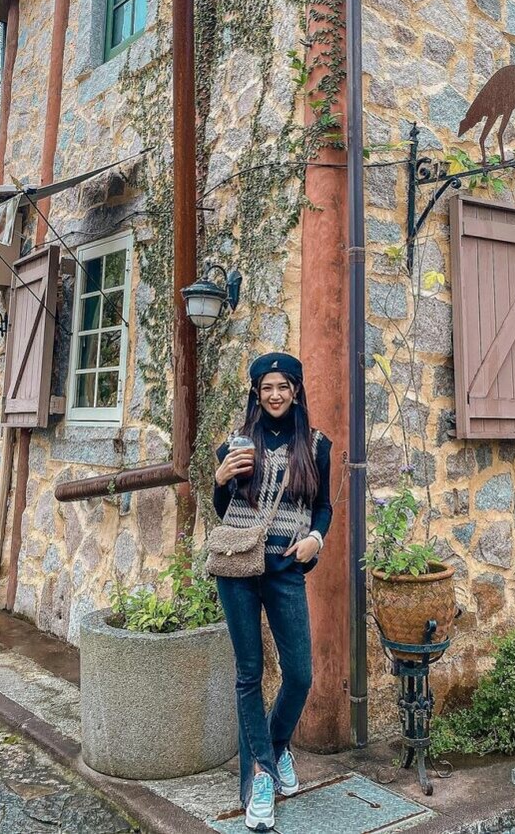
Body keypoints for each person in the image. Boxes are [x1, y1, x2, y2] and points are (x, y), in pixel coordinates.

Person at [213, 352, 332, 832]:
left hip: (286, 566)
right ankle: (260, 777)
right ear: (256, 393)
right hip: (238, 566)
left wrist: (315, 539)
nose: (276, 395)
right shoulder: (237, 443)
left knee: (299, 675)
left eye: (284, 386)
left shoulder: (317, 446)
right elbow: (224, 509)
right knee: (249, 674)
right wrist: (220, 479)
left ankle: (276, 747)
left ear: (297, 390)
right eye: (267, 388)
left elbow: (322, 506)